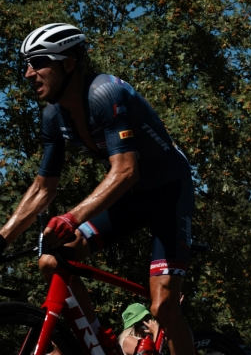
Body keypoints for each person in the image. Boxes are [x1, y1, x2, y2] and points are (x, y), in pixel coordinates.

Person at [0, 23, 195, 354]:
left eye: (38, 62)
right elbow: (43, 188)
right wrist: (2, 239)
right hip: (129, 200)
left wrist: (71, 217)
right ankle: (104, 347)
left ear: (68, 63)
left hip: (169, 195)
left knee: (162, 307)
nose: (29, 73)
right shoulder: (53, 116)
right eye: (26, 64)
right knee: (51, 261)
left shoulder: (105, 93)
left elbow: (126, 170)